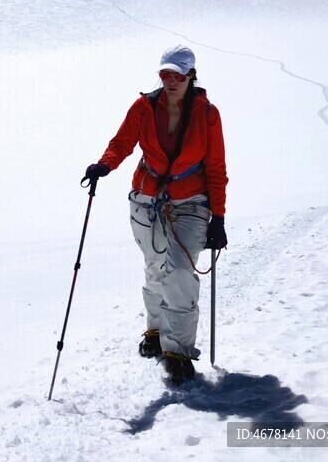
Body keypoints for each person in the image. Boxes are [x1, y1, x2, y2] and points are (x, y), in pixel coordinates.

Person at [83, 45, 228, 385]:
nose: (170, 81)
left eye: (177, 76)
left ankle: (178, 351)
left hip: (191, 201)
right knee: (155, 266)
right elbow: (122, 143)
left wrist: (218, 217)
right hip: (147, 198)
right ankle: (155, 330)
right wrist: (104, 165)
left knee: (180, 271)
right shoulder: (144, 107)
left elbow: (216, 167)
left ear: (191, 76)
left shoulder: (208, 114)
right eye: (165, 75)